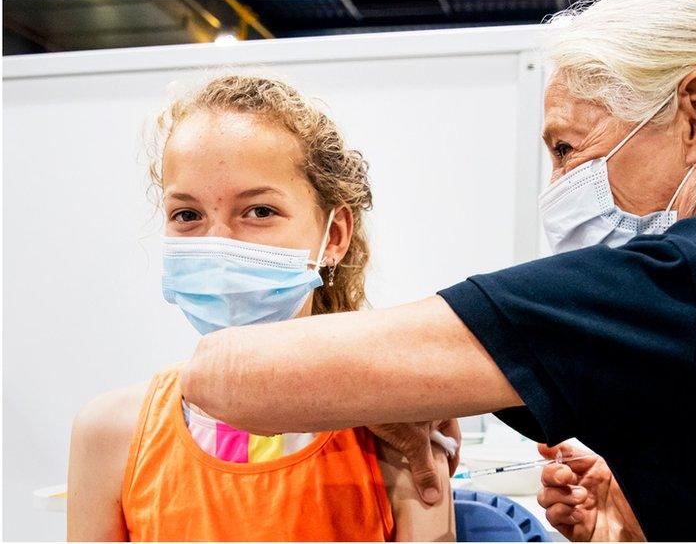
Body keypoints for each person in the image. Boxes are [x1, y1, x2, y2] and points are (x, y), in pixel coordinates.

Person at [180, 0, 696, 541]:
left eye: (568, 147)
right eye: (186, 212)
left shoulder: (686, 281)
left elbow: (229, 375)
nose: (559, 188)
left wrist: (393, 391)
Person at [67, 75, 456, 541]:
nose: (218, 244)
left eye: (258, 211)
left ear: (333, 236)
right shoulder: (112, 434)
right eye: (187, 215)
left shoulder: (397, 432)